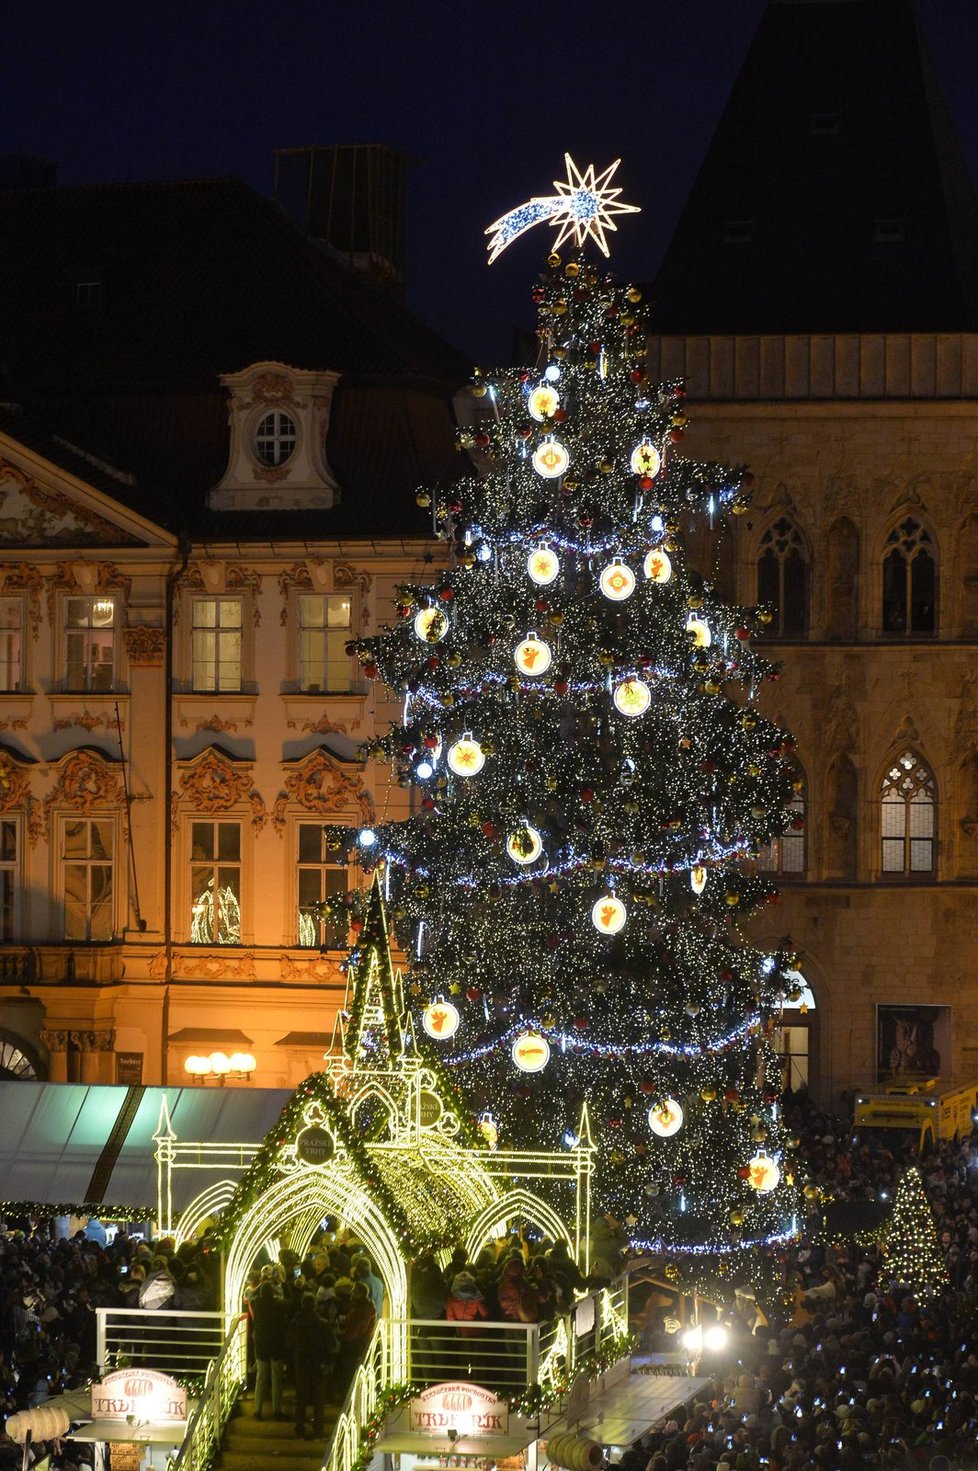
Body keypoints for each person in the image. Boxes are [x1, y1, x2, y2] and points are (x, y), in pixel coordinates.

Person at [286, 1292, 334, 1439]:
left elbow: (288, 1343)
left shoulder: (295, 1323)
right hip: (318, 1363)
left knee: (302, 1397)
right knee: (319, 1399)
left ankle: (299, 1427)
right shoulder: (323, 1324)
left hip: (301, 1364)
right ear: (315, 1306)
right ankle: (318, 1427)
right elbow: (331, 1344)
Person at [251, 1281, 289, 1421]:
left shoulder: (256, 1304)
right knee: (276, 1379)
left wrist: (259, 1286)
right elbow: (289, 1303)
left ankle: (257, 1410)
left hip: (260, 1345)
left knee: (261, 1378)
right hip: (276, 1345)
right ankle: (276, 1410)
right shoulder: (278, 1305)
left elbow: (253, 1295)